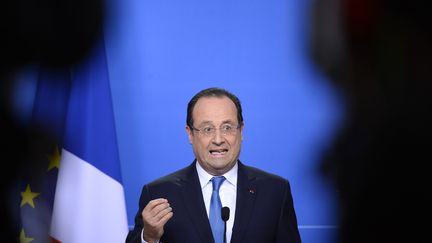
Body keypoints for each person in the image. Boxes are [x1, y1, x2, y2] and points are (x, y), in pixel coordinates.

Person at [126, 87, 301, 243]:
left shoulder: (275, 191)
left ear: (241, 131)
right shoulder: (159, 193)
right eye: (207, 129)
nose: (218, 140)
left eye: (227, 127)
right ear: (190, 134)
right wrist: (148, 238)